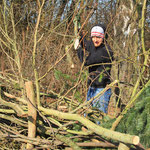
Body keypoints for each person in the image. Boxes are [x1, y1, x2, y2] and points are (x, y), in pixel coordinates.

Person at [75, 24, 113, 114]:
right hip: (92, 87)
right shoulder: (95, 45)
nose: (95, 40)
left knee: (98, 116)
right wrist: (80, 34)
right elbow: (87, 44)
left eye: (98, 37)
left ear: (103, 37)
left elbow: (86, 61)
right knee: (87, 114)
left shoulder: (105, 51)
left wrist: (78, 50)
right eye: (93, 37)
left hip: (102, 89)